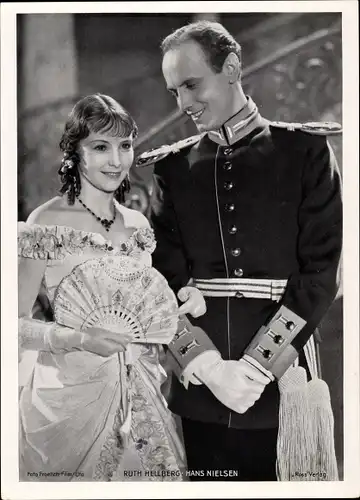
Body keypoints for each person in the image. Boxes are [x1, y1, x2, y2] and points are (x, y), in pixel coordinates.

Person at [136, 21, 343, 481]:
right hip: (202, 386)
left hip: (279, 377)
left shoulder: (305, 150)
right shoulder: (172, 168)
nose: (184, 103)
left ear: (230, 68)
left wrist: (255, 367)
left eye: (192, 84)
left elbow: (322, 272)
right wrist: (207, 367)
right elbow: (160, 281)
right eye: (174, 92)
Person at [17, 93, 207, 481]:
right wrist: (82, 339)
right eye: (101, 147)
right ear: (76, 152)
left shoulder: (138, 225)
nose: (117, 160)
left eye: (125, 145)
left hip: (142, 392)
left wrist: (181, 301)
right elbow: (13, 325)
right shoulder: (45, 221)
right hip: (70, 400)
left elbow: (146, 311)